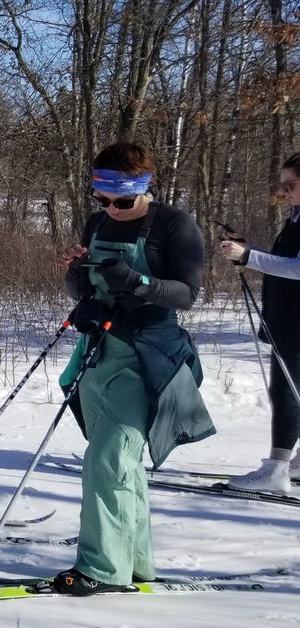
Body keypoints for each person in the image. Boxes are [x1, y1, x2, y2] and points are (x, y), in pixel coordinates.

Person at [55, 142, 214, 595]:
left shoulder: (175, 225)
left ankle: (102, 570)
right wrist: (77, 277)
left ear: (144, 189)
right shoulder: (97, 221)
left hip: (148, 353)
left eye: (122, 201)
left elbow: (186, 293)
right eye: (102, 200)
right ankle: (136, 561)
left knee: (109, 458)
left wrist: (139, 282)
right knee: (120, 464)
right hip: (98, 348)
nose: (112, 209)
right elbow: (80, 287)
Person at [218, 151, 300, 494]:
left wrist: (249, 257)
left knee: (286, 390)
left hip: (296, 322)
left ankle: (276, 469)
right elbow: (286, 260)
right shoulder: (296, 216)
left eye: (291, 184)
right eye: (282, 185)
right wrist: (250, 249)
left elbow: (297, 269)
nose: (284, 191)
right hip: (286, 317)